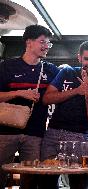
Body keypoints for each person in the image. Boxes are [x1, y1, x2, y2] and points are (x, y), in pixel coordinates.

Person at [0, 25, 59, 189]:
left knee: (31, 179)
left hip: (35, 134)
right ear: (29, 42)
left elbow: (68, 78)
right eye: (42, 42)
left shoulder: (50, 70)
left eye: (48, 43)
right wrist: (19, 93)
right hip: (5, 132)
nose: (46, 46)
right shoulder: (7, 66)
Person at [40, 40, 88, 189]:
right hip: (53, 134)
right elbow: (46, 99)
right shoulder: (67, 72)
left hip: (81, 136)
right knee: (46, 181)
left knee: (80, 182)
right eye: (87, 59)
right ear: (79, 58)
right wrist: (77, 90)